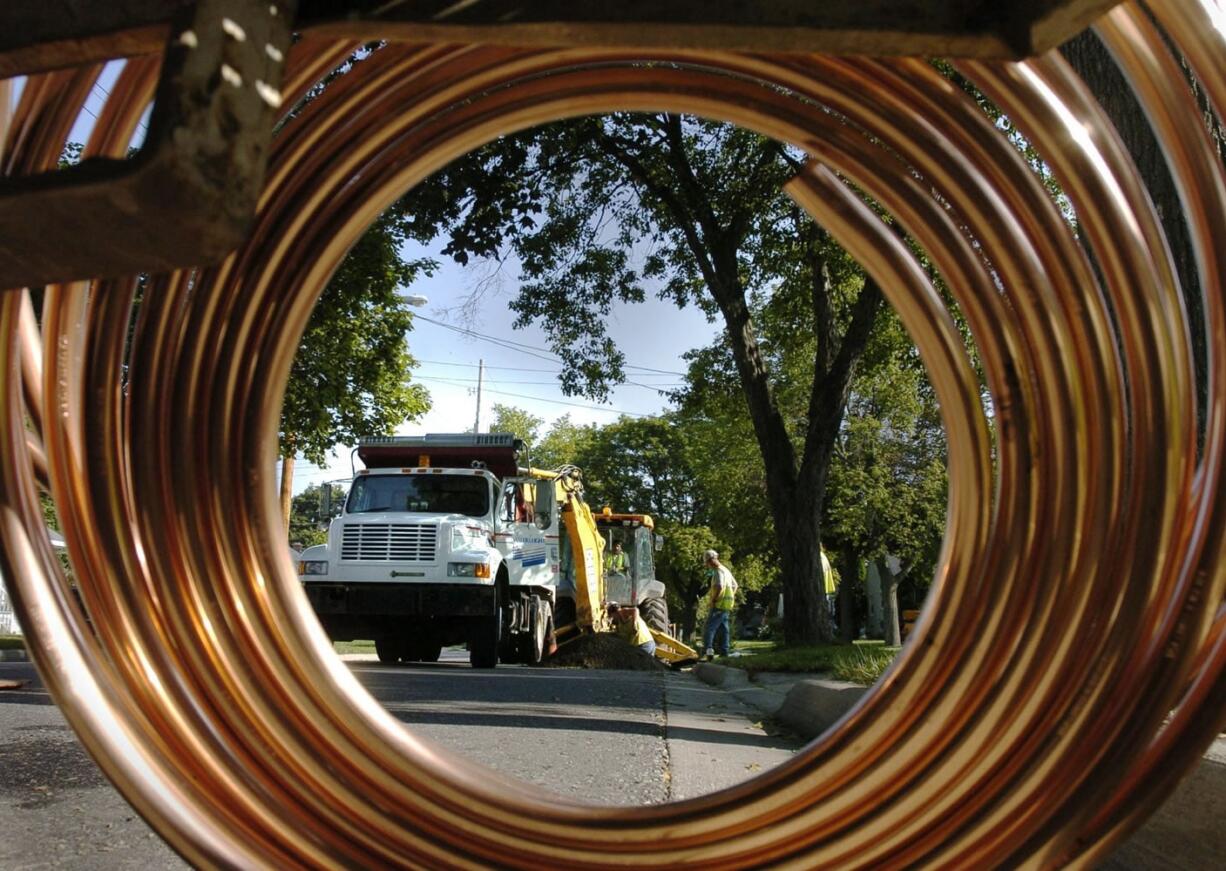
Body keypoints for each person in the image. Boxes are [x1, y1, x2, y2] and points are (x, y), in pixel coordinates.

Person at [702, 549, 737, 659]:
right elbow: (735, 586)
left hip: (718, 605)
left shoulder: (717, 571)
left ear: (710, 561)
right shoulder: (726, 570)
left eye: (707, 563)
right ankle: (724, 653)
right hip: (727, 605)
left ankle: (708, 651)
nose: (708, 566)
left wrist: (714, 600)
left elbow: (719, 586)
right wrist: (730, 597)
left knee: (709, 628)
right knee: (724, 629)